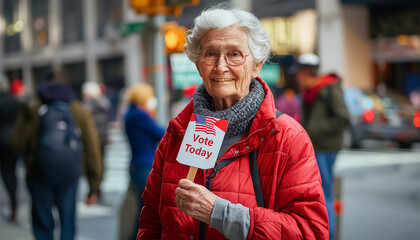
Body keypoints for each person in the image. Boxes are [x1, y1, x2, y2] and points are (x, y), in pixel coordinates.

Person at [137, 4, 328, 240]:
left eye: (234, 54)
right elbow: (151, 223)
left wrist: (221, 213)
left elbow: (309, 232)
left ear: (257, 65)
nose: (220, 66)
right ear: (198, 65)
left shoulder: (288, 137)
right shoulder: (177, 133)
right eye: (210, 54)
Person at [18, 72, 102, 240]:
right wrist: (94, 185)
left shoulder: (34, 109)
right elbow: (93, 149)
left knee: (42, 221)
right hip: (70, 174)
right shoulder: (79, 110)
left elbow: (18, 142)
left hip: (39, 173)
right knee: (68, 220)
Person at [295, 53, 350, 240]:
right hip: (316, 147)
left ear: (306, 72)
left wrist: (318, 130)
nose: (297, 78)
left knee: (324, 192)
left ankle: (329, 234)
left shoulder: (328, 89)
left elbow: (344, 117)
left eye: (299, 73)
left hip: (325, 147)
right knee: (318, 192)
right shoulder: (309, 91)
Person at [122, 83, 165, 240]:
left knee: (144, 208)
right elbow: (161, 132)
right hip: (144, 166)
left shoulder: (131, 113)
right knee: (148, 209)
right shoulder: (139, 115)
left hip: (137, 165)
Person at [82, 81, 111, 196]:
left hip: (92, 139)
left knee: (92, 163)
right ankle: (99, 186)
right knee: (102, 163)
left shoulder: (86, 106)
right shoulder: (103, 103)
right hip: (103, 138)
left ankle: (94, 189)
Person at [0, 75, 19, 221]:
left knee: (6, 173)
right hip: (14, 142)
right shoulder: (15, 101)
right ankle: (14, 201)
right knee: (12, 172)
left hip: (2, 143)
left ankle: (13, 201)